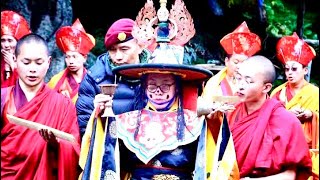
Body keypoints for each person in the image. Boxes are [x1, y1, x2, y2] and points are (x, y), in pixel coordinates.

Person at [1, 33, 81, 179]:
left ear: (49, 62)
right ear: (15, 60)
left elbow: (74, 148)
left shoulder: (63, 105)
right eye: (26, 62)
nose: (33, 69)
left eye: (39, 63)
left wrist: (56, 144)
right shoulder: (2, 98)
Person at [228, 55, 312, 179]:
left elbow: (291, 175)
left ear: (266, 87)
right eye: (238, 78)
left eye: (248, 81)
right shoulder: (230, 111)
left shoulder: (286, 121)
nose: (240, 85)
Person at [75, 18, 151, 138]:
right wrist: (96, 115)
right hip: (112, 150)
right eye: (112, 50)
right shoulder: (95, 79)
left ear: (140, 47)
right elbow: (84, 128)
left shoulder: (159, 73)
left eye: (124, 49)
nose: (118, 57)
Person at [270, 32, 319, 180]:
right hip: (282, 149)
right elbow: (268, 120)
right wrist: (286, 115)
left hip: (308, 149)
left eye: (294, 69)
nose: (289, 73)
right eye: (286, 69)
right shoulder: (277, 92)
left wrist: (312, 115)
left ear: (305, 70)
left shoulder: (315, 93)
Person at [47, 18, 95, 104]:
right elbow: (47, 103)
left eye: (74, 57)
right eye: (67, 57)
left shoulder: (93, 80)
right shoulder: (56, 81)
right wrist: (59, 99)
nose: (70, 61)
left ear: (84, 58)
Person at [1, 10, 31, 88]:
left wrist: (13, 66)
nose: (6, 45)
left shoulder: (28, 58)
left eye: (10, 40)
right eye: (3, 40)